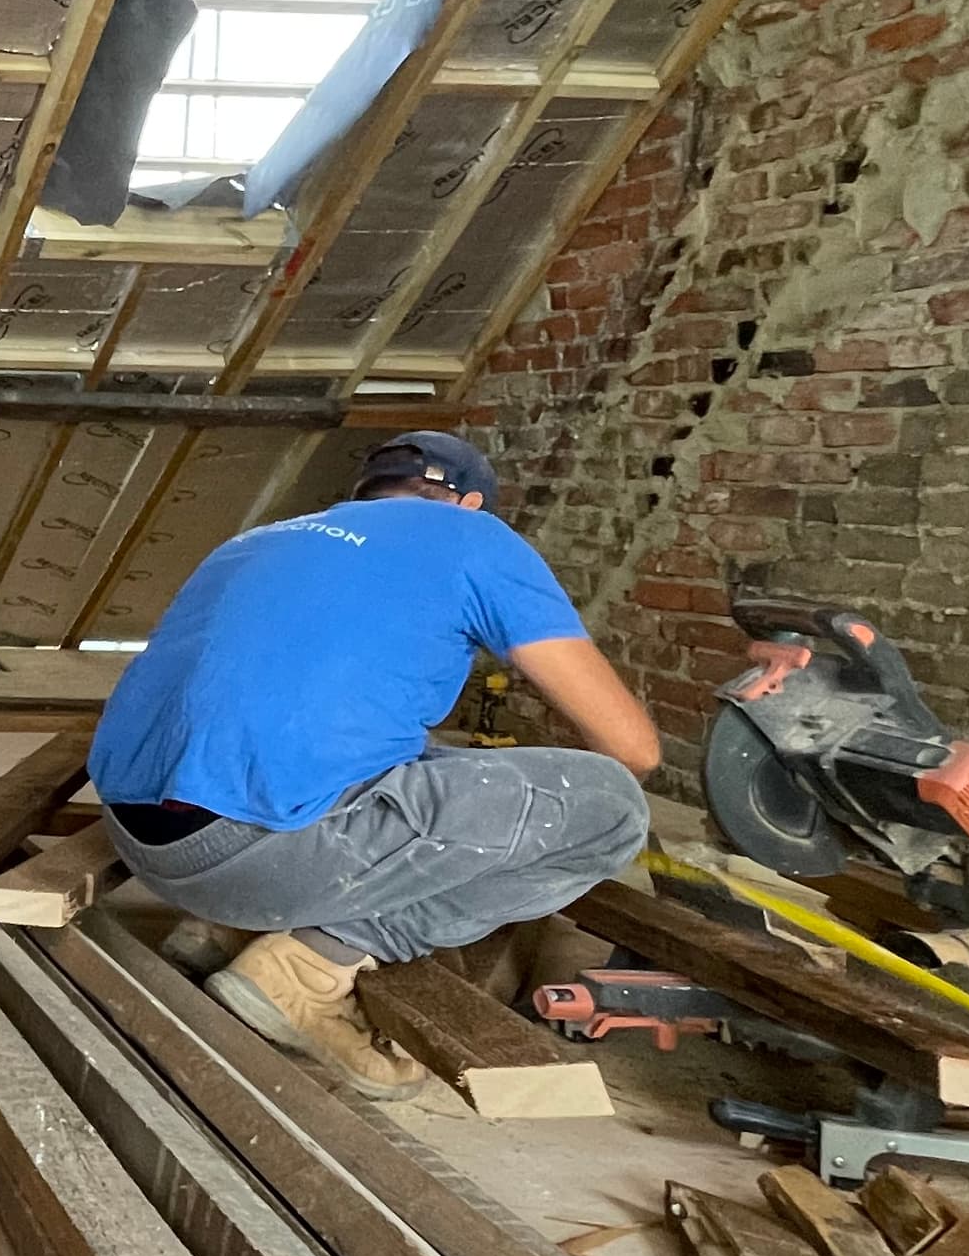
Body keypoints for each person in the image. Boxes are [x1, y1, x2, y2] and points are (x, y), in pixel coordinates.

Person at [89, 429, 659, 1094]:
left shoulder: (259, 539)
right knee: (610, 806)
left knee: (405, 759)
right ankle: (309, 969)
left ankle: (223, 928)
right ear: (472, 503)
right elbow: (632, 748)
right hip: (259, 859)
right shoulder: (473, 537)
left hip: (142, 844)